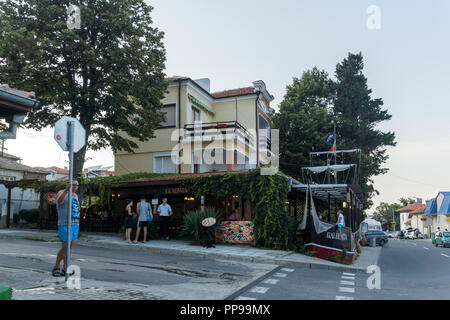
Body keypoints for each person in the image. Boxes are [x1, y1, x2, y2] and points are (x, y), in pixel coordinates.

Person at [51, 180, 80, 277]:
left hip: (74, 224)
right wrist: (66, 190)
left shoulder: (75, 195)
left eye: (77, 185)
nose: (75, 186)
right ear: (68, 184)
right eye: (74, 184)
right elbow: (59, 201)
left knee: (70, 248)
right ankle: (56, 266)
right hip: (64, 224)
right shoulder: (62, 192)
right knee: (65, 247)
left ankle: (65, 268)